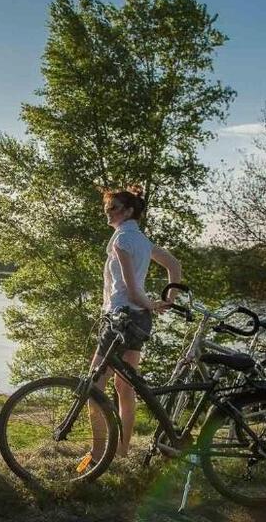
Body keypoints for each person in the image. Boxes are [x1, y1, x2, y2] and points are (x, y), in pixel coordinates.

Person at [87, 186, 182, 463]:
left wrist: (152, 302)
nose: (108, 211)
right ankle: (122, 450)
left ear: (128, 211)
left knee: (93, 387)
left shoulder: (121, 240)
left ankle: (98, 453)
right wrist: (168, 299)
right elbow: (174, 265)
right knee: (125, 387)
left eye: (114, 207)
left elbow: (129, 290)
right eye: (107, 207)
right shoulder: (142, 241)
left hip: (120, 318)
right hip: (139, 318)